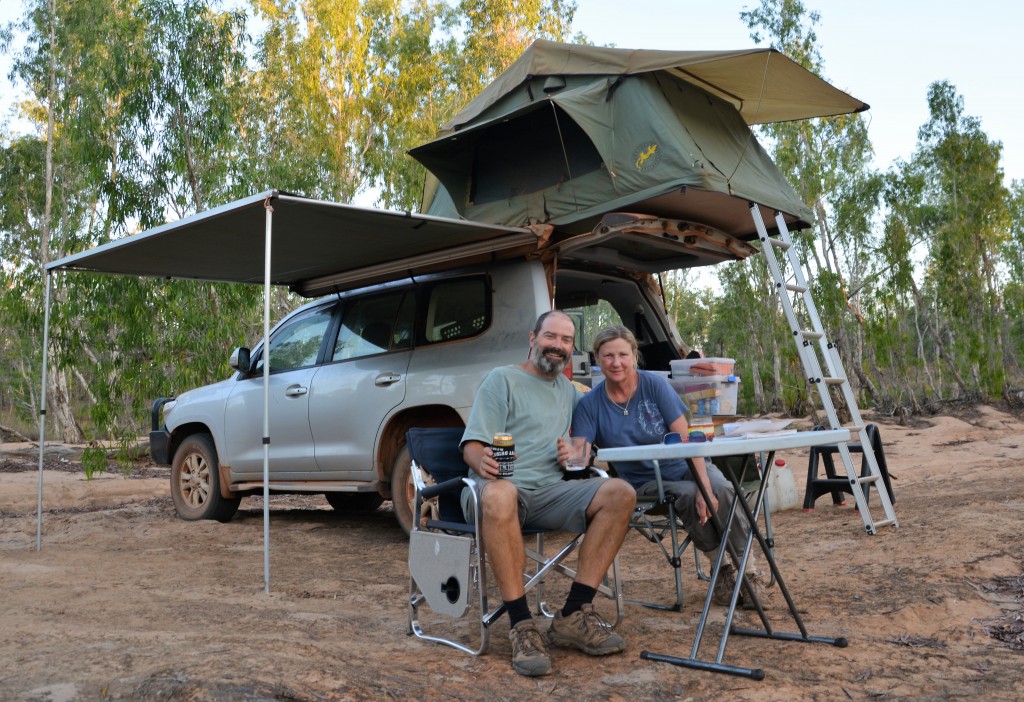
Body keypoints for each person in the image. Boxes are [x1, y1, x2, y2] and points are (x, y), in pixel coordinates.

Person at [460, 310, 636, 677]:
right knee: (500, 493)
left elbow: (586, 443)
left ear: (572, 348)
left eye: (566, 341)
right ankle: (522, 625)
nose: (558, 346)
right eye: (551, 337)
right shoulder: (501, 380)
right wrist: (482, 462)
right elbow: (471, 445)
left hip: (551, 493)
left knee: (619, 492)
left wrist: (577, 454)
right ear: (533, 338)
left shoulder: (569, 392)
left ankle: (573, 612)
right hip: (494, 495)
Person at [570, 325, 768, 611]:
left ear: (634, 355)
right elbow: (580, 455)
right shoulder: (589, 404)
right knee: (687, 495)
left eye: (623, 354)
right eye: (608, 356)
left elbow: (687, 438)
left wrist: (704, 486)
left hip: (686, 463)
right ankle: (722, 568)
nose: (616, 363)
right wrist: (570, 452)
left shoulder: (654, 385)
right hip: (641, 482)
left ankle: (749, 572)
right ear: (597, 358)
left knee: (722, 488)